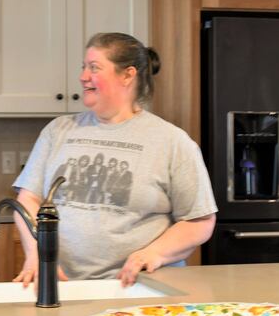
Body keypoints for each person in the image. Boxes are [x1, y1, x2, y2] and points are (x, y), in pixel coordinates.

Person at [12, 32, 217, 287]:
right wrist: (37, 252)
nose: (83, 76)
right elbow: (28, 200)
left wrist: (153, 253)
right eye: (83, 67)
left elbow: (199, 220)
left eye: (94, 68)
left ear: (127, 75)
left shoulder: (172, 141)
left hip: (139, 287)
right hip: (62, 286)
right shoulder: (58, 131)